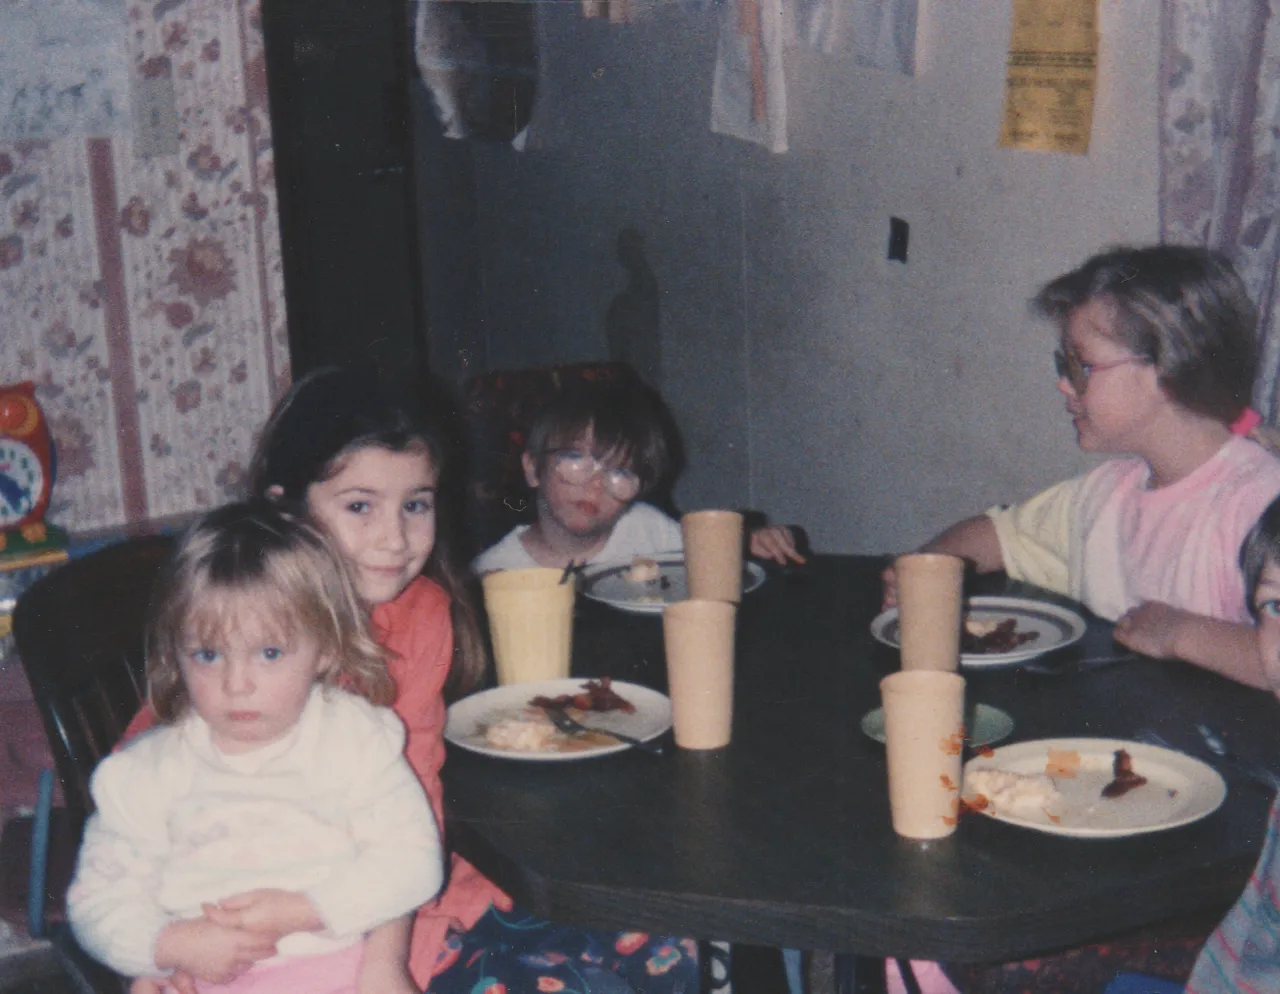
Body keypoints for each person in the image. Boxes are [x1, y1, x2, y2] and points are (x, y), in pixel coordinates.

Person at [124, 365, 700, 994]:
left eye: (415, 505)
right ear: (284, 506)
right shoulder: (236, 637)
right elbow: (137, 823)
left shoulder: (421, 614)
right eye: (359, 506)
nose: (394, 539)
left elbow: (414, 799)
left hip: (399, 903)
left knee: (665, 953)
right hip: (276, 952)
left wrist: (385, 962)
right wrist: (153, 957)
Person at [67, 500, 443, 994]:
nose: (236, 683)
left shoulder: (354, 741)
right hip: (204, 977)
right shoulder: (147, 773)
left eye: (269, 653)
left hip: (338, 971)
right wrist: (167, 944)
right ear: (175, 653)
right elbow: (96, 901)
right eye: (207, 654)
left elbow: (413, 863)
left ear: (326, 647)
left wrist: (306, 910)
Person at [882, 245, 1280, 689]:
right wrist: (929, 570)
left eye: (1080, 365)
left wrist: (1181, 633)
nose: (1063, 383)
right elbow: (999, 534)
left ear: (1170, 368)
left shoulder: (1260, 502)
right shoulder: (1105, 495)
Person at [472, 377, 805, 573]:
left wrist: (750, 540)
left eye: (621, 472)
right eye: (576, 458)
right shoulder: (494, 570)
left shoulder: (648, 530)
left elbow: (712, 552)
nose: (596, 484)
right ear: (532, 469)